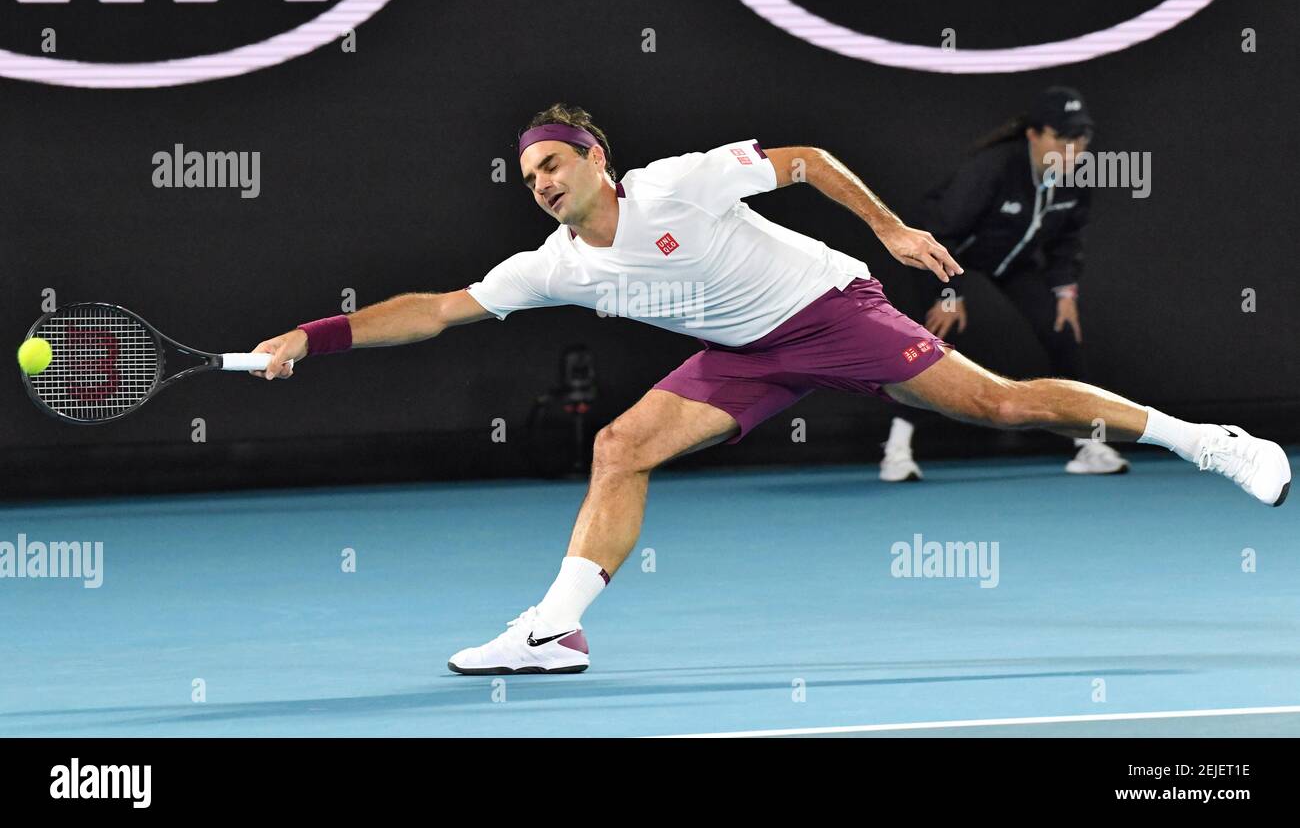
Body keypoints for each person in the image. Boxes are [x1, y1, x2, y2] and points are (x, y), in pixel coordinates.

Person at [249, 103, 1291, 675]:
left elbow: (803, 159)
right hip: (744, 350)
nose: (545, 186)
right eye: (530, 179)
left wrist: (885, 228)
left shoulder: (677, 185)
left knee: (1003, 404)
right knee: (620, 444)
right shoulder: (555, 264)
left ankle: (1204, 438)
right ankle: (554, 630)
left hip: (828, 310)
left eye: (557, 165)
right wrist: (309, 334)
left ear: (598, 160)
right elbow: (435, 307)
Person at [881, 87, 1127, 482]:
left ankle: (1088, 444)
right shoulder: (992, 168)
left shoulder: (1077, 176)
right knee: (935, 340)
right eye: (1062, 139)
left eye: (1080, 140)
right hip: (939, 252)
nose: (1073, 150)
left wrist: (1065, 293)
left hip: (1012, 261)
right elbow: (940, 231)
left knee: (1062, 330)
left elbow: (1068, 238)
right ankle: (896, 449)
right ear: (1035, 134)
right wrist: (949, 295)